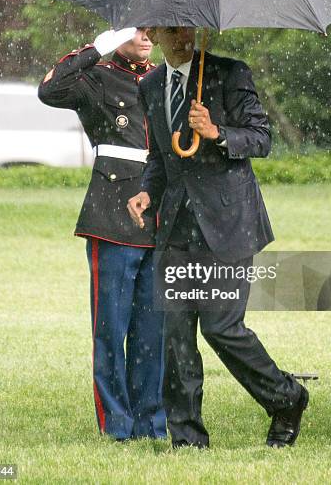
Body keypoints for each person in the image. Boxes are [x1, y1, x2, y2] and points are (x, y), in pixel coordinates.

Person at [128, 26, 308, 449]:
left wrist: (217, 132)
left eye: (186, 27)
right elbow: (160, 157)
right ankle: (187, 439)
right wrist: (145, 192)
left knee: (222, 327)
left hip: (229, 224)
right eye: (170, 29)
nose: (180, 37)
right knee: (174, 334)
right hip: (175, 228)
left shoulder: (231, 74)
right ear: (152, 33)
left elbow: (261, 139)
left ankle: (287, 398)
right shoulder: (152, 85)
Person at [38, 27, 166, 441]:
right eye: (137, 30)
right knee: (111, 327)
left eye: (151, 31)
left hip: (162, 215)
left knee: (152, 331)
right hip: (112, 214)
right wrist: (98, 47)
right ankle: (117, 424)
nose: (146, 38)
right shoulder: (99, 75)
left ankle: (152, 422)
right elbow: (51, 90)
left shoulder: (166, 78)